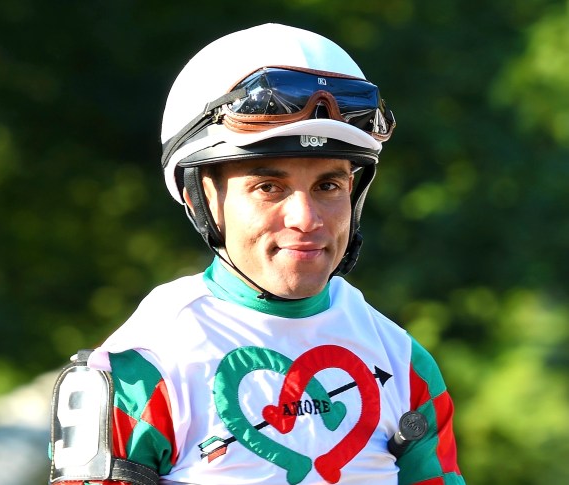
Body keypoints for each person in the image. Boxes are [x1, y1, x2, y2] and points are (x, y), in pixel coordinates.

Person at [48, 23, 465, 485]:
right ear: (199, 197)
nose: (305, 219)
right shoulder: (137, 372)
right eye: (269, 187)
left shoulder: (406, 364)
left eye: (328, 185)